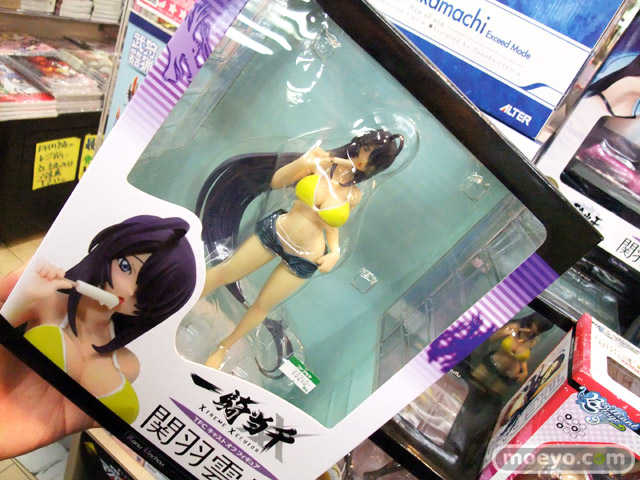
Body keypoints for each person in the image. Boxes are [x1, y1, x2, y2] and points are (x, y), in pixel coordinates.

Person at [197, 129, 404, 369]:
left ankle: (224, 347)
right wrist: (303, 161)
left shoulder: (354, 195)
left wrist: (335, 252)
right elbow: (277, 182)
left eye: (373, 159)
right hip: (276, 233)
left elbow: (332, 227)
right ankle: (184, 297)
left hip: (305, 257)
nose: (364, 159)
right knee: (226, 272)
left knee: (262, 306)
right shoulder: (323, 163)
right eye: (367, 150)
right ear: (359, 144)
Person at [0, 215, 197, 428]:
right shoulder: (47, 300)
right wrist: (23, 295)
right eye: (125, 266)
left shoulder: (127, 364)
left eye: (149, 292)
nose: (128, 291)